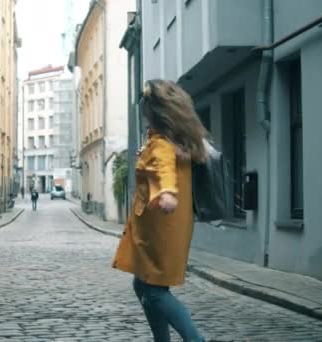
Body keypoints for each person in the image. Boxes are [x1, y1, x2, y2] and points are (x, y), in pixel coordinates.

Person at [112, 79, 209, 342]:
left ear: (154, 111)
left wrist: (167, 192)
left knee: (154, 292)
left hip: (162, 230)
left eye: (145, 106)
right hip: (155, 227)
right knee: (142, 285)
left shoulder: (164, 145)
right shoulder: (163, 140)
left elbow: (164, 171)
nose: (142, 109)